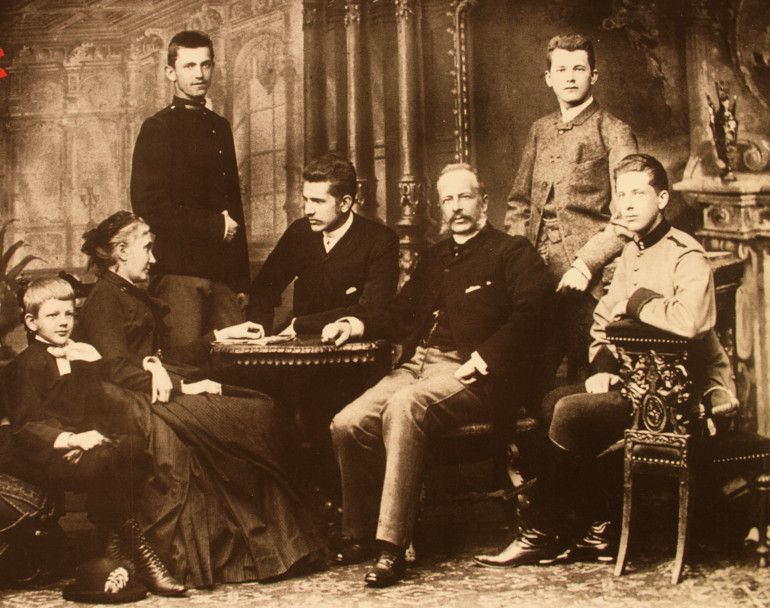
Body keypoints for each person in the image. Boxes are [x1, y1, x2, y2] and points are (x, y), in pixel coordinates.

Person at [474, 154, 737, 568]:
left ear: (662, 199)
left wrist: (638, 301)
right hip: (636, 384)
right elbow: (602, 322)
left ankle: (541, 532)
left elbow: (691, 322)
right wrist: (604, 369)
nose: (626, 204)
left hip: (680, 394)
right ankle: (598, 528)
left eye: (638, 194)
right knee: (552, 401)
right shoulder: (631, 252)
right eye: (621, 195)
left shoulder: (686, 255)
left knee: (571, 412)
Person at [324, 164, 554, 587]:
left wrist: (484, 358)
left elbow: (534, 312)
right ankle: (358, 533)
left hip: (474, 372)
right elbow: (399, 312)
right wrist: (354, 324)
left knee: (405, 406)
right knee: (347, 422)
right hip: (417, 366)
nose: (457, 207)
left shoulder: (512, 251)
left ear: (484, 201)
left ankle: (391, 546)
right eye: (448, 200)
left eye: (465, 197)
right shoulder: (436, 256)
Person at [78, 211, 323, 588]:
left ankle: (279, 546)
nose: (154, 258)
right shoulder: (105, 300)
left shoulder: (128, 293)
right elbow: (114, 371)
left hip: (154, 390)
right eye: (147, 248)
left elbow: (164, 358)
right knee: (250, 414)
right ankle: (262, 551)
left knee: (259, 406)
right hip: (132, 403)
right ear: (122, 252)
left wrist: (222, 336)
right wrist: (183, 387)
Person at [5, 277, 184, 596]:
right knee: (102, 462)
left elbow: (98, 406)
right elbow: (26, 425)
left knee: (132, 446)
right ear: (31, 322)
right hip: (38, 453)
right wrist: (70, 440)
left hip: (80, 443)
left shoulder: (83, 356)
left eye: (69, 314)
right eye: (53, 315)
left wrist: (97, 434)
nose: (63, 322)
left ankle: (112, 544)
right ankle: (142, 554)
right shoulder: (26, 365)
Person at [505, 33, 638, 383]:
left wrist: (585, 264)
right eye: (561, 70)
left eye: (579, 69)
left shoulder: (614, 131)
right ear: (549, 78)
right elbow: (519, 203)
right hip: (536, 278)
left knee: (586, 378)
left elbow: (629, 215)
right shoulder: (540, 130)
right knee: (528, 377)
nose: (570, 77)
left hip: (590, 282)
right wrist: (517, 261)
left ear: (594, 75)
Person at [130, 30, 250, 351]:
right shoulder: (158, 128)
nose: (199, 74)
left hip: (223, 275)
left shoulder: (220, 126)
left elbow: (233, 203)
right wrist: (215, 225)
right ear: (171, 72)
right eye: (189, 66)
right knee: (185, 363)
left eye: (205, 65)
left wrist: (241, 279)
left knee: (238, 362)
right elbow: (148, 205)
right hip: (180, 274)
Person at [248, 153, 399, 335]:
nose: (308, 210)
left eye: (318, 202)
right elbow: (263, 288)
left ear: (345, 203)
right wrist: (257, 334)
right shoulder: (300, 232)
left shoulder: (381, 240)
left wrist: (299, 324)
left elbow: (372, 310)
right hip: (299, 344)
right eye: (306, 200)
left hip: (353, 346)